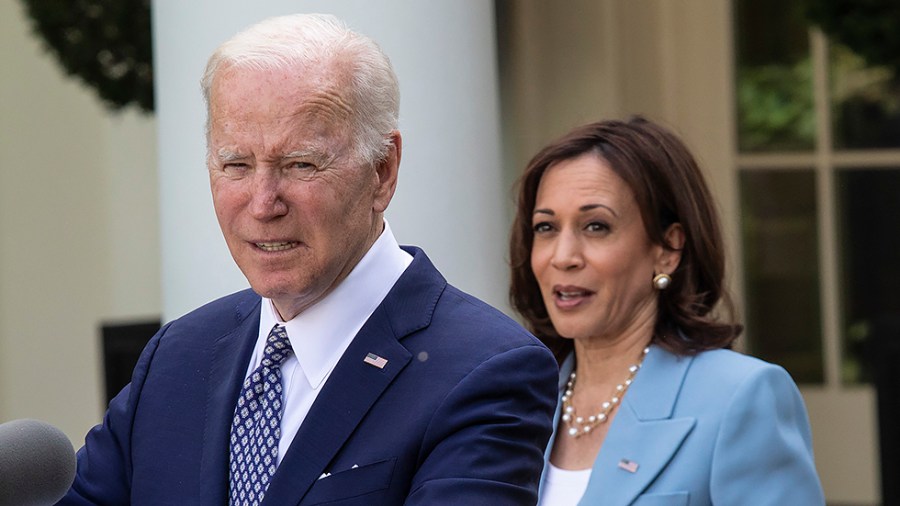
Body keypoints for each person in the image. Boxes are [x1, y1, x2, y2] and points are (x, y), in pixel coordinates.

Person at [60, 13, 558, 505]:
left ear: (382, 172)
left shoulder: (485, 370)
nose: (262, 204)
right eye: (236, 165)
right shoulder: (177, 356)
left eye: (300, 165)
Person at [509, 117, 825, 505]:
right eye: (545, 228)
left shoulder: (741, 396)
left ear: (668, 249)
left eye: (595, 226)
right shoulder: (518, 399)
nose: (563, 256)